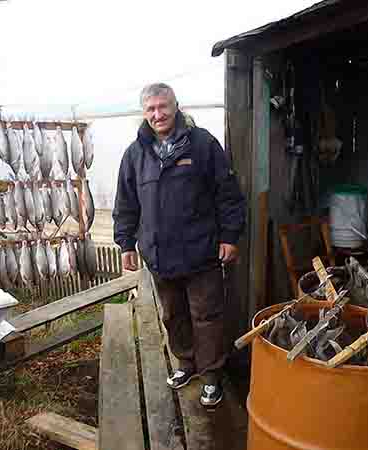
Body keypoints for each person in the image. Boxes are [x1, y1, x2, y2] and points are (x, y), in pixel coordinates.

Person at [113, 83, 246, 408]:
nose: (158, 114)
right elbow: (126, 203)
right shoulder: (135, 154)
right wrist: (126, 243)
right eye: (151, 109)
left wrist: (230, 236)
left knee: (207, 316)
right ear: (144, 113)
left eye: (163, 106)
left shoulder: (203, 144)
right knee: (173, 315)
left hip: (201, 252)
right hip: (160, 255)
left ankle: (211, 375)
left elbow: (228, 194)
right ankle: (186, 363)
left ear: (176, 106)